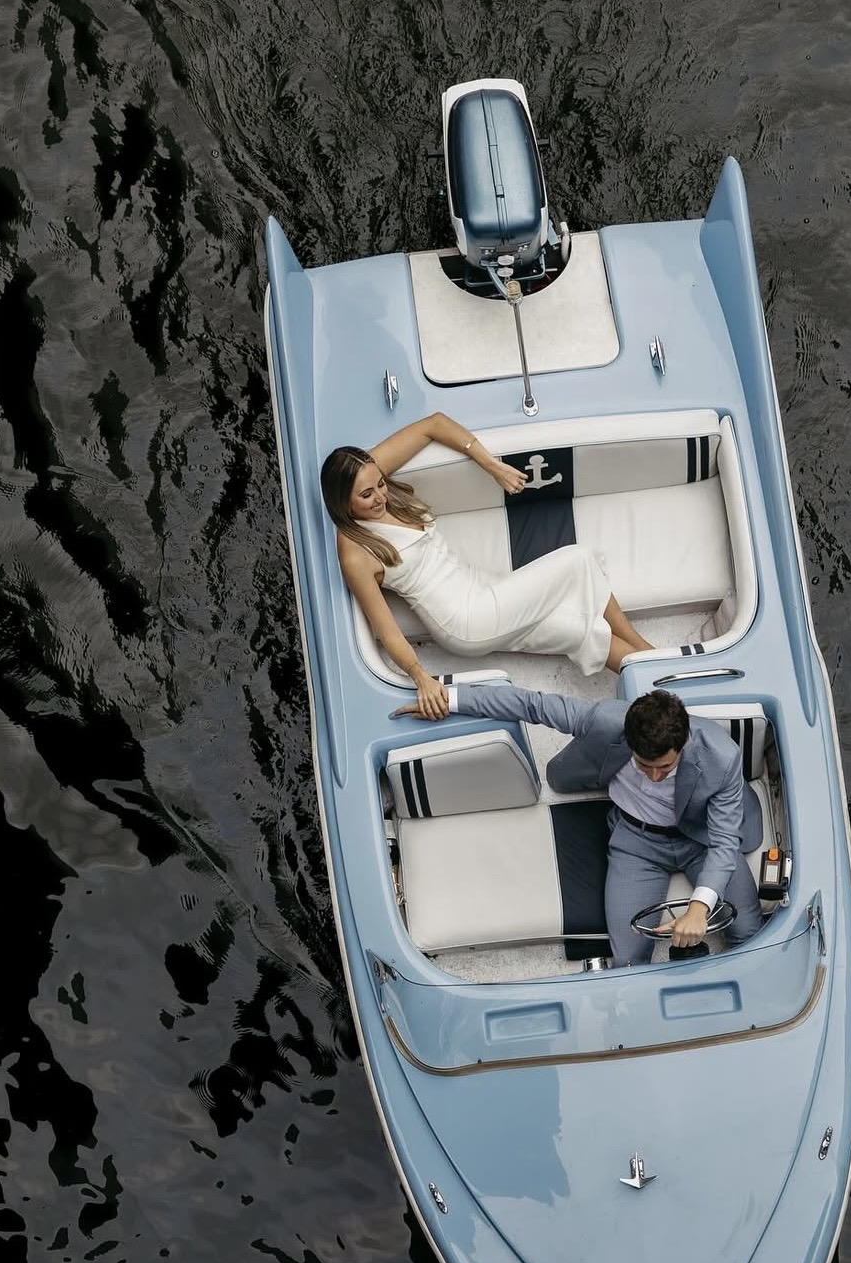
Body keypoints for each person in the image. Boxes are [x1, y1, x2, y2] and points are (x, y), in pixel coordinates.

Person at [395, 682, 763, 965]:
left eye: (664, 768)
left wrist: (698, 909)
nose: (653, 777)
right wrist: (447, 699)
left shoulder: (722, 757)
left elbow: (723, 842)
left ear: (683, 743)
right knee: (628, 959)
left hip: (702, 839)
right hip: (637, 843)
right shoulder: (604, 720)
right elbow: (532, 704)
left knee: (748, 932)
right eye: (643, 765)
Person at [321, 412, 655, 718]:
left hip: (479, 584)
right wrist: (420, 676)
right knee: (579, 560)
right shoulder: (355, 553)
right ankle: (651, 654)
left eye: (380, 484)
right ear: (342, 501)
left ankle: (655, 683)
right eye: (367, 495)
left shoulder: (366, 474)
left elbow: (434, 424)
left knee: (576, 630)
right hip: (463, 620)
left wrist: (491, 466)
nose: (380, 496)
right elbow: (386, 630)